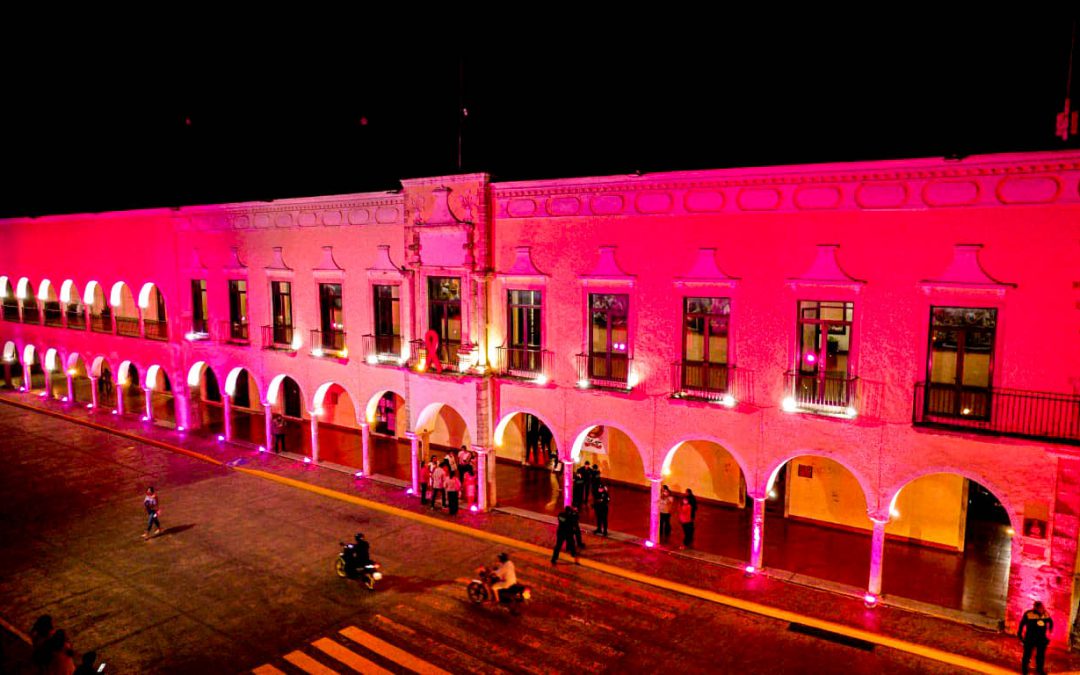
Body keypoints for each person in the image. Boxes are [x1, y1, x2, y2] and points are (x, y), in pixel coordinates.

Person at [1017, 600, 1052, 675]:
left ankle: (1039, 669)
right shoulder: (1028, 614)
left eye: (1042, 608)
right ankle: (1024, 670)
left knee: (1041, 655)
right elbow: (1022, 624)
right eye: (1040, 608)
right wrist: (1019, 634)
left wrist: (1050, 629)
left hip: (1041, 638)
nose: (1041, 609)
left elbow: (1050, 621)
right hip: (1030, 638)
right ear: (1035, 608)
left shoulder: (1045, 614)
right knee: (1027, 654)